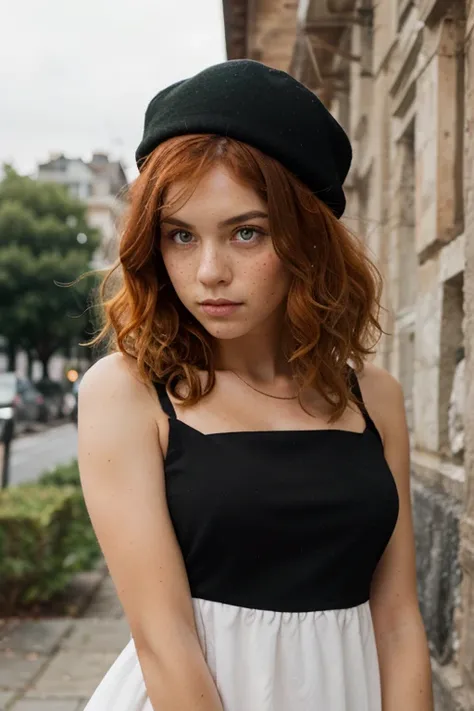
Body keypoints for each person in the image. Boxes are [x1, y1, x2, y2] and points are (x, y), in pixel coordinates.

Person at [78, 59, 433, 711]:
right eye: (181, 235)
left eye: (247, 232)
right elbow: (164, 640)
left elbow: (399, 619)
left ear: (308, 240)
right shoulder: (128, 394)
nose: (209, 271)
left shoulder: (374, 398)